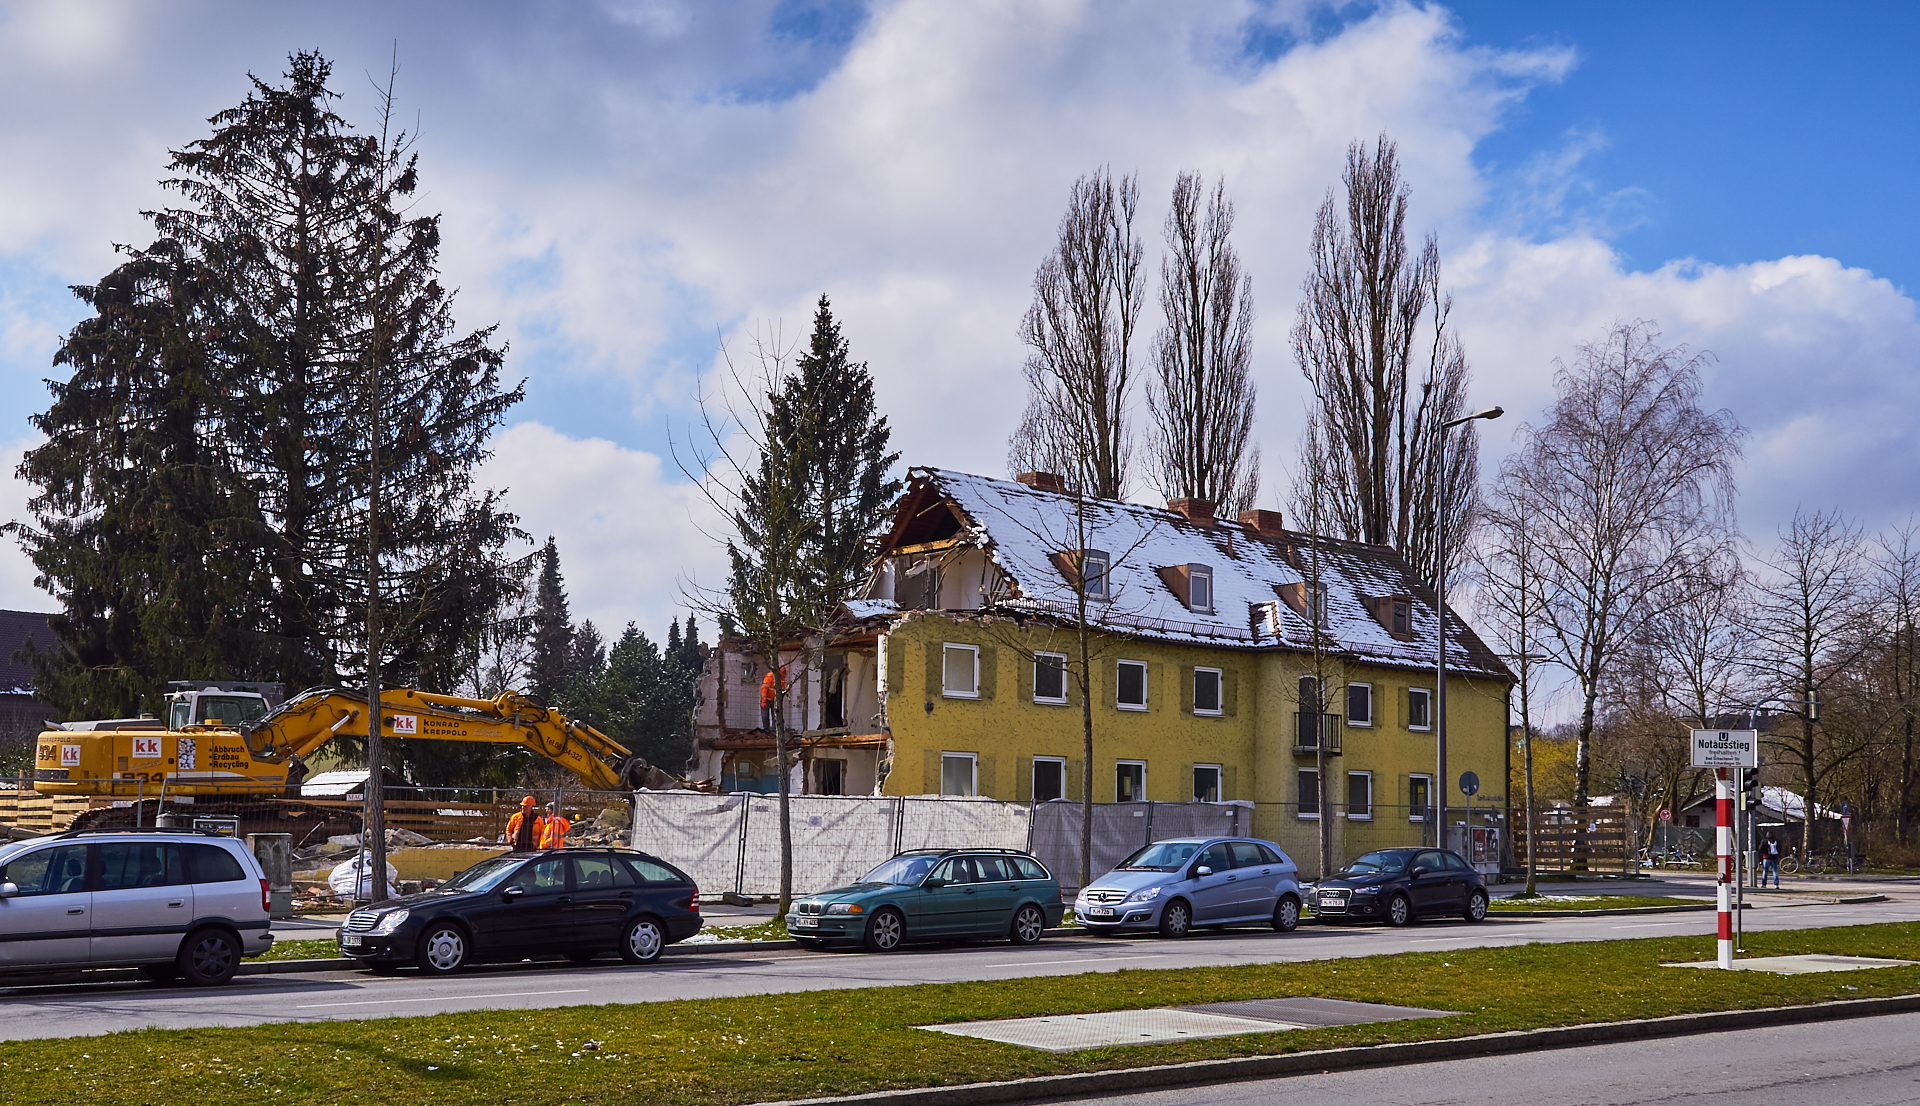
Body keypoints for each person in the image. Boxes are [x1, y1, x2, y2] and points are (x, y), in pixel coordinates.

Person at [760, 664, 787, 731]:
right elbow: (764, 689)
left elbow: (782, 690)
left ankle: (774, 730)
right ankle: (766, 729)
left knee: (775, 716)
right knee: (765, 716)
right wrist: (763, 701)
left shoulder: (782, 679)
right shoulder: (769, 676)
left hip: (775, 701)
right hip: (767, 700)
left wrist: (780, 700)